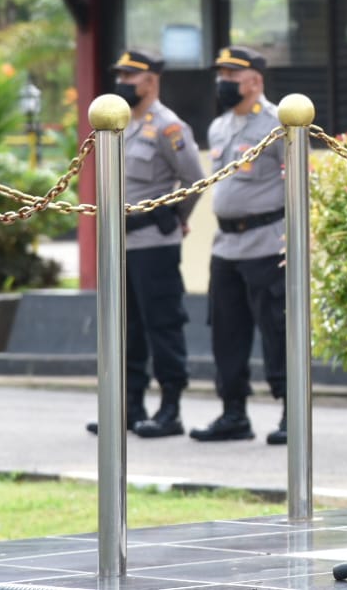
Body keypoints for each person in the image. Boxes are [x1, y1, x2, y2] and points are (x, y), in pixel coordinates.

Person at [86, 48, 206, 439]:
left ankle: (170, 409)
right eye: (119, 75)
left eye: (129, 76)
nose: (121, 83)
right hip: (119, 244)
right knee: (126, 328)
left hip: (154, 242)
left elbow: (194, 180)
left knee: (163, 325)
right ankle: (129, 406)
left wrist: (175, 217)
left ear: (151, 81)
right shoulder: (117, 125)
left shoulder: (169, 127)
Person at [190, 46, 290, 446]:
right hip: (226, 246)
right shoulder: (219, 126)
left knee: (277, 331)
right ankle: (233, 413)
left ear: (255, 81)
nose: (223, 82)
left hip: (267, 242)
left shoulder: (279, 121)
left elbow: (299, 182)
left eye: (232, 75)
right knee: (226, 333)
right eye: (222, 75)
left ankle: (291, 411)